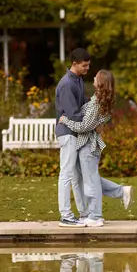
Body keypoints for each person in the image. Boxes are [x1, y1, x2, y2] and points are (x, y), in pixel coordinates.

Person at [59, 69, 133, 227]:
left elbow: (84, 126)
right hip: (86, 145)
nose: (92, 77)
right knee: (91, 180)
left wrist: (65, 120)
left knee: (91, 182)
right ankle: (122, 192)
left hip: (88, 146)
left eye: (96, 77)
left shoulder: (96, 103)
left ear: (100, 82)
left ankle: (96, 216)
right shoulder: (95, 100)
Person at [55, 48, 90, 227]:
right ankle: (66, 215)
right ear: (75, 64)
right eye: (84, 65)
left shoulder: (78, 81)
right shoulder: (68, 83)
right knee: (67, 174)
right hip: (67, 133)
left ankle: (84, 214)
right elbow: (74, 114)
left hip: (74, 132)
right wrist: (92, 121)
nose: (87, 68)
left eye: (88, 65)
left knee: (77, 175)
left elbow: (84, 105)